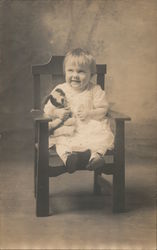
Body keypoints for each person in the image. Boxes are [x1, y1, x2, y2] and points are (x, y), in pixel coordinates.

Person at [44, 48, 114, 174]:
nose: (75, 75)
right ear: (65, 72)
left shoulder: (95, 90)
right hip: (68, 129)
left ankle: (96, 158)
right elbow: (48, 108)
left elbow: (103, 109)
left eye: (81, 71)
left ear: (91, 74)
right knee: (61, 141)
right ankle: (69, 159)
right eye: (70, 70)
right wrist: (57, 113)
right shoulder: (60, 89)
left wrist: (89, 113)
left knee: (101, 138)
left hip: (89, 126)